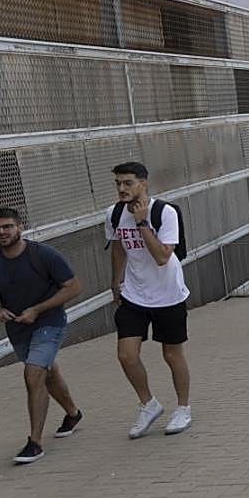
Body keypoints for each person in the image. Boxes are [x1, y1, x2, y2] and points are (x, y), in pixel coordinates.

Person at [0, 208, 83, 464]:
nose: (2, 232)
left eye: (7, 227)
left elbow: (73, 287)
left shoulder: (44, 255)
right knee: (47, 373)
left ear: (20, 227)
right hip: (17, 328)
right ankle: (73, 413)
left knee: (33, 374)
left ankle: (35, 443)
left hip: (49, 322)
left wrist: (37, 310)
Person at [106, 162, 192, 438]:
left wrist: (143, 223)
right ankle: (149, 404)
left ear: (144, 183)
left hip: (168, 295)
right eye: (118, 183)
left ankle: (183, 408)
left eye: (128, 183)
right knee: (126, 355)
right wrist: (116, 281)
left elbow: (162, 256)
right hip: (134, 294)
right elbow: (119, 246)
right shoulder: (114, 213)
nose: (122, 189)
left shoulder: (165, 212)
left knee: (171, 354)